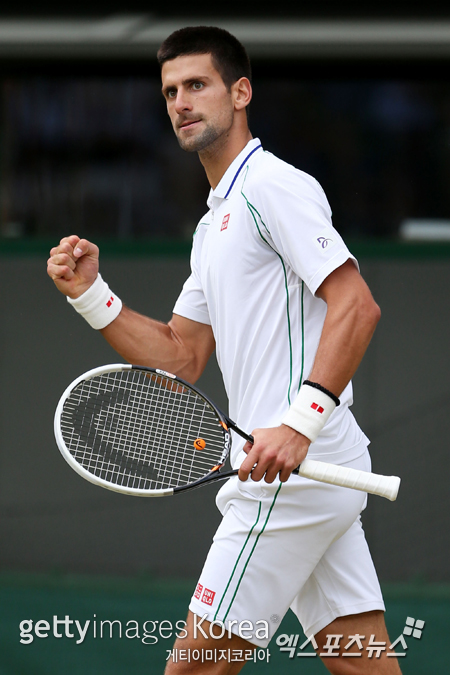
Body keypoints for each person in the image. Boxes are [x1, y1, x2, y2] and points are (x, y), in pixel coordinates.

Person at [47, 26, 401, 675]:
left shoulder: (273, 186)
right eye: (170, 91)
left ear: (240, 92)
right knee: (363, 663)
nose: (181, 101)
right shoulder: (213, 225)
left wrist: (298, 425)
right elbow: (181, 355)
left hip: (290, 471)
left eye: (197, 85)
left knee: (192, 669)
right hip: (306, 466)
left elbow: (357, 305)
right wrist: (89, 294)